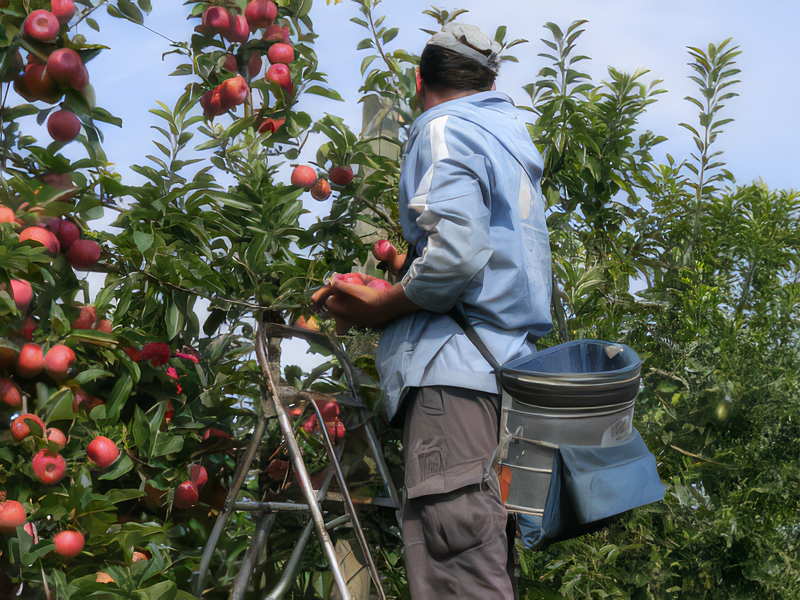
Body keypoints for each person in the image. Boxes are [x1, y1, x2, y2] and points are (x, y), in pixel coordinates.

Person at [312, 23, 552, 600]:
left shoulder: (444, 127)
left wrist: (382, 307)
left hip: (456, 386)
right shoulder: (509, 139)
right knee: (488, 561)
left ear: (420, 81)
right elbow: (484, 259)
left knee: (458, 574)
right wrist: (410, 267)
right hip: (510, 379)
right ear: (492, 82)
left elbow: (457, 258)